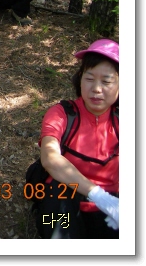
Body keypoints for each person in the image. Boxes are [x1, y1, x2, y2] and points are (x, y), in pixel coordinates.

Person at [37, 39, 119, 239]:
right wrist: (98, 195)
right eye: (89, 78)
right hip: (59, 206)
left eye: (106, 81)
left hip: (114, 208)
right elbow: (50, 158)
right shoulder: (62, 113)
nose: (97, 89)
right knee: (53, 224)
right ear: (80, 79)